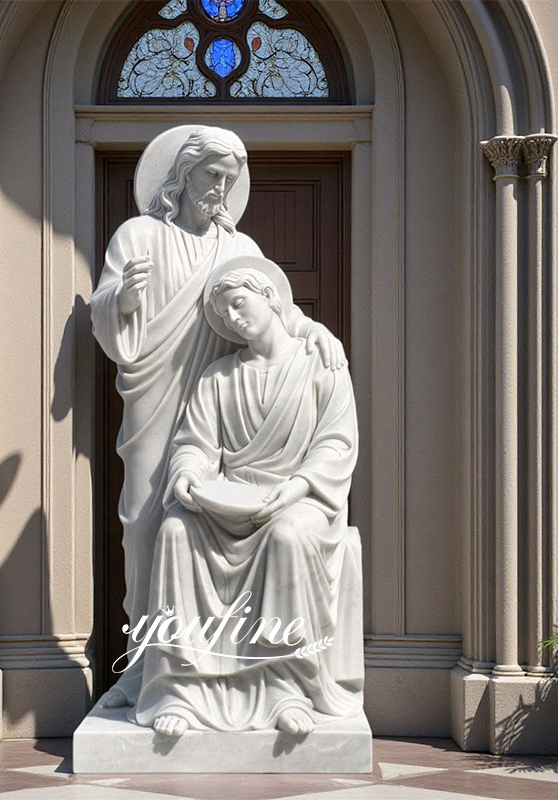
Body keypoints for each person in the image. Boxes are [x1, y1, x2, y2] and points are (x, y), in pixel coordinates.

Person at [90, 126, 346, 706]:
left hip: (226, 400)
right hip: (156, 398)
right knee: (147, 528)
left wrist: (316, 331)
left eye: (231, 180)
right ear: (182, 175)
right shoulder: (138, 235)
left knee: (225, 530)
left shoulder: (240, 249)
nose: (222, 189)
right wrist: (123, 301)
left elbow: (272, 310)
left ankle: (244, 668)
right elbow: (107, 318)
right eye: (213, 175)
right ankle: (148, 667)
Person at [132, 257, 364, 737]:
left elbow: (336, 442)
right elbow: (195, 443)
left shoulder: (320, 364)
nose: (235, 319)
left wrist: (296, 487)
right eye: (226, 314)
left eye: (240, 304)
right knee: (176, 529)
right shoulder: (218, 376)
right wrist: (187, 478)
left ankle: (285, 689)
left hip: (299, 498)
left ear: (270, 297)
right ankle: (184, 690)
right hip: (229, 502)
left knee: (288, 536)